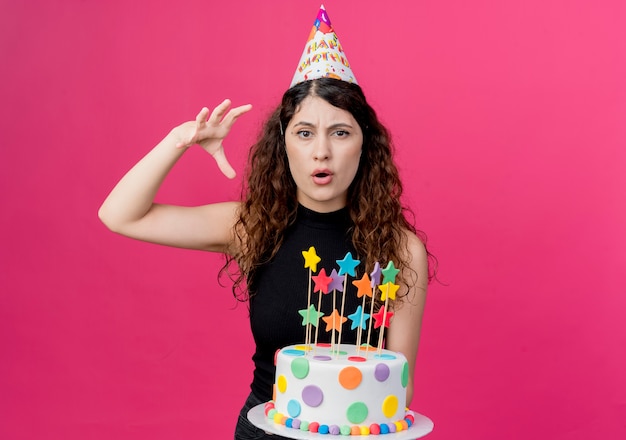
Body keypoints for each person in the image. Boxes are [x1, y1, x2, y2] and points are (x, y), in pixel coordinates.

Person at [99, 7, 433, 440]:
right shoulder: (252, 226)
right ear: (284, 142)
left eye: (341, 132)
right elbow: (120, 214)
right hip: (266, 429)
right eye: (305, 132)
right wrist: (180, 141)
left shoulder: (401, 251)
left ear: (365, 145)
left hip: (362, 434)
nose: (322, 152)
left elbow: (400, 386)